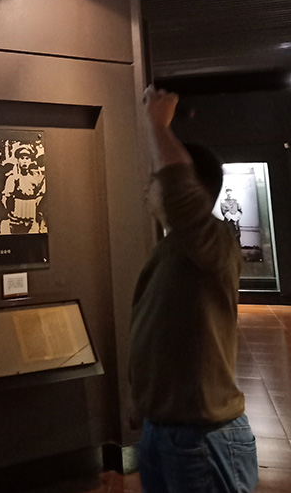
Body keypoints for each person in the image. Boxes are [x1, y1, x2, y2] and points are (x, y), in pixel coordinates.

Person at [129, 86, 258, 493]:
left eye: (155, 179)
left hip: (203, 438)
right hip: (164, 430)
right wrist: (146, 404)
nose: (148, 188)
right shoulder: (176, 248)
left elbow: (181, 192)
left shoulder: (213, 242)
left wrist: (157, 124)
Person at [2, 145, 45, 234]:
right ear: (18, 160)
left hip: (31, 215)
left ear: (30, 160)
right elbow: (6, 198)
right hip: (17, 216)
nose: (25, 161)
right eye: (22, 158)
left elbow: (39, 196)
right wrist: (11, 213)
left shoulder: (35, 178)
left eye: (27, 158)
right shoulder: (13, 178)